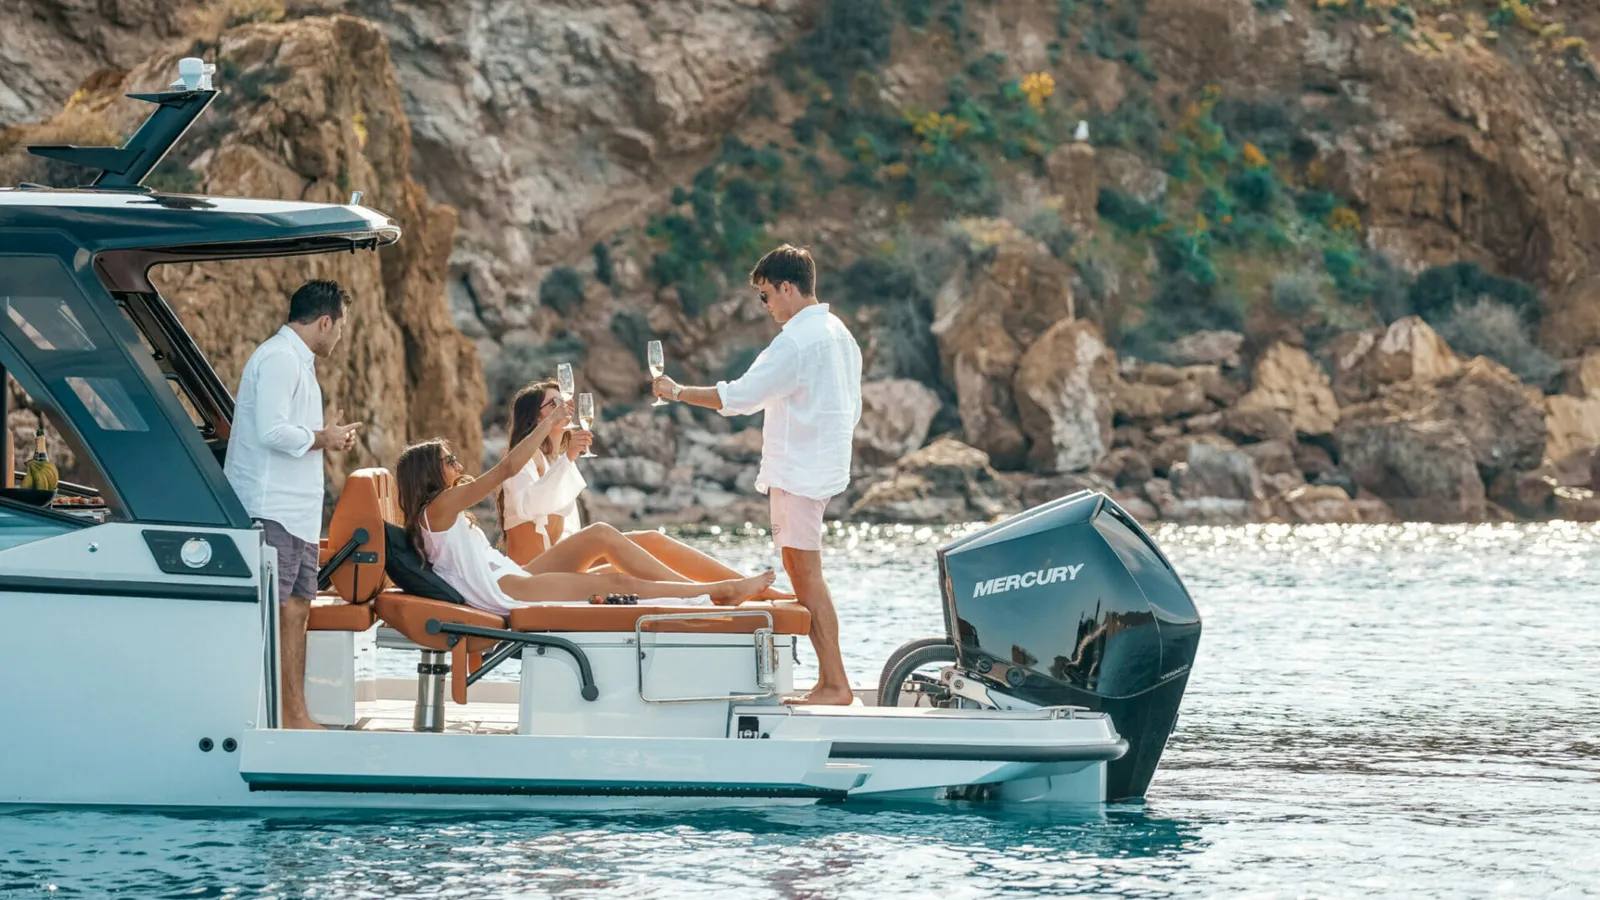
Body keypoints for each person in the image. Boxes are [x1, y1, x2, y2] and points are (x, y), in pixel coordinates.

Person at [652, 244, 862, 705]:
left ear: (787, 288)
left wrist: (677, 391)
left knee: (806, 576)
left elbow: (740, 397)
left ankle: (835, 684)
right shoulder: (839, 333)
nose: (765, 306)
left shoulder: (797, 340)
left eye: (765, 295)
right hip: (821, 467)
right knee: (804, 572)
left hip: (799, 471)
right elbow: (853, 408)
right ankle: (831, 681)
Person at [395, 407, 775, 614]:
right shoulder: (439, 507)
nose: (458, 464)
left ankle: (701, 592)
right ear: (428, 473)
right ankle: (713, 595)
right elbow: (506, 468)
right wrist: (547, 425)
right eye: (449, 460)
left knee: (601, 537)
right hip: (507, 590)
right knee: (617, 584)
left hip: (511, 575)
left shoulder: (437, 513)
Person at [496, 380, 794, 599]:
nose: (565, 407)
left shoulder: (552, 462)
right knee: (601, 534)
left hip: (556, 569)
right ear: (535, 418)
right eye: (554, 404)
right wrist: (569, 458)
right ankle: (707, 594)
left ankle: (761, 593)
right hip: (527, 577)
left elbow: (564, 532)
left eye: (564, 401)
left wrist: (565, 459)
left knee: (649, 539)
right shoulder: (519, 461)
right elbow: (531, 505)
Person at [224, 279, 362, 730]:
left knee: (297, 608)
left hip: (298, 515)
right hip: (273, 510)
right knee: (272, 611)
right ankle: (264, 718)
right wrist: (324, 437)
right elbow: (271, 431)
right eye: (340, 325)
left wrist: (327, 438)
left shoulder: (298, 362)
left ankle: (294, 714)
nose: (340, 335)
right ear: (324, 322)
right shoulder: (280, 359)